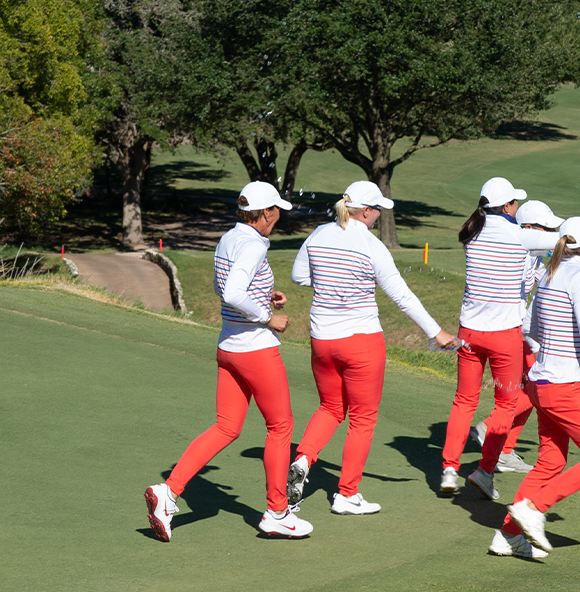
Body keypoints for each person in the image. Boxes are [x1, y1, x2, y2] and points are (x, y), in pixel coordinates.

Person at [144, 181, 312, 541]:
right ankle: (277, 512)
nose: (279, 217)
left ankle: (168, 492)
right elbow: (235, 291)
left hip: (229, 348)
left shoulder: (229, 238)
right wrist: (268, 316)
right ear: (265, 213)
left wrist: (266, 294)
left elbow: (228, 288)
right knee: (280, 427)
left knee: (226, 427)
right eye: (276, 211)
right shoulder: (252, 244)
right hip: (255, 349)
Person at [287, 181, 460, 515]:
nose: (380, 215)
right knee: (362, 419)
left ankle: (304, 460)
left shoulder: (319, 234)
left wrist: (329, 282)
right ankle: (346, 494)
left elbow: (298, 276)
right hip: (362, 342)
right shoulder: (372, 245)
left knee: (331, 408)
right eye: (377, 209)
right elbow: (402, 296)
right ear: (364, 211)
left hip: (322, 340)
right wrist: (436, 332)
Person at [493, 217, 580, 559]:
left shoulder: (549, 272)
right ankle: (533, 508)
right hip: (561, 386)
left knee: (550, 463)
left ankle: (508, 536)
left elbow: (532, 328)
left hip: (540, 383)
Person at [441, 177, 579, 499]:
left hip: (469, 333)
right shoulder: (518, 237)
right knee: (506, 403)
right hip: (503, 336)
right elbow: (564, 240)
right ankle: (486, 470)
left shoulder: (471, 233)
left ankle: (449, 468)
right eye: (514, 203)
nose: (517, 208)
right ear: (507, 207)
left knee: (464, 401)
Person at [467, 198, 565, 474]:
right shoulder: (520, 248)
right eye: (546, 229)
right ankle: (489, 429)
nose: (549, 235)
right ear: (530, 227)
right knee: (535, 390)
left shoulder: (531, 251)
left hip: (517, 327)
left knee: (528, 388)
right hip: (514, 328)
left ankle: (505, 450)